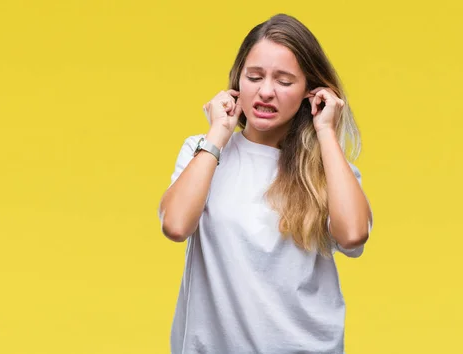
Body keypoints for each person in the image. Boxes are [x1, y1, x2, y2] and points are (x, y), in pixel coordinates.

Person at [157, 13, 374, 354]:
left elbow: (353, 235)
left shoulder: (327, 168)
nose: (266, 92)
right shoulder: (204, 153)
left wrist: (326, 132)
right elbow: (176, 225)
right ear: (237, 80)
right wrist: (218, 133)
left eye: (285, 81)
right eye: (254, 77)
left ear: (309, 91)